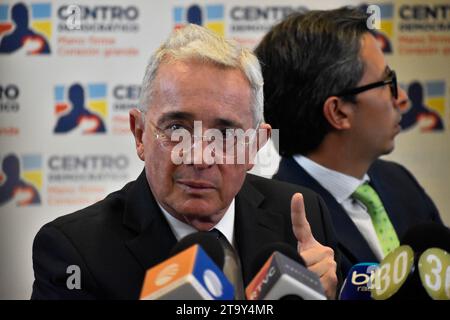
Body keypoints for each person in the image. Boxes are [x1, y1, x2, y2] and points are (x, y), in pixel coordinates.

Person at [31, 24, 338, 299]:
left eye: (226, 133)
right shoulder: (74, 251)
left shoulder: (304, 219)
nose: (200, 156)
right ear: (140, 135)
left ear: (255, 146)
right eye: (177, 129)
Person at [254, 8, 443, 277]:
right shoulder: (276, 222)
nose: (402, 98)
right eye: (387, 83)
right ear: (339, 112)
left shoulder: (401, 182)